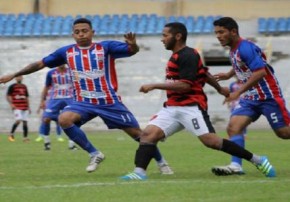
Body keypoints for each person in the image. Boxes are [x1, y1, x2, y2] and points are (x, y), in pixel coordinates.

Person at [0, 18, 173, 175]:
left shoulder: (105, 47)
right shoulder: (66, 52)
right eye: (77, 32)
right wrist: (14, 73)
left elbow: (131, 50)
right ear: (73, 34)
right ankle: (95, 153)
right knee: (64, 119)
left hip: (108, 101)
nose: (81, 34)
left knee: (139, 135)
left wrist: (133, 44)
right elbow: (39, 64)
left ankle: (162, 162)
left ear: (92, 32)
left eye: (85, 31)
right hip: (82, 102)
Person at [120, 22, 275, 181]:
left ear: (178, 36)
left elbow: (185, 85)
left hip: (191, 107)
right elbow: (203, 73)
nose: (162, 39)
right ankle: (139, 172)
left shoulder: (188, 55)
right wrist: (220, 89)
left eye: (165, 35)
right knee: (148, 135)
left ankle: (257, 160)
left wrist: (154, 85)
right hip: (173, 107)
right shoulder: (179, 55)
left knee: (211, 142)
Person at [211, 17, 290, 176]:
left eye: (221, 32)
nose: (218, 36)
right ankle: (236, 165)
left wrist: (238, 92)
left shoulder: (245, 47)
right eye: (216, 33)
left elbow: (260, 71)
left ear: (233, 32)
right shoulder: (234, 49)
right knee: (234, 127)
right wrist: (228, 74)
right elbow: (242, 65)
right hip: (251, 98)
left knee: (284, 133)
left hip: (269, 96)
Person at [36, 64, 77, 150]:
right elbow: (46, 87)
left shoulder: (72, 72)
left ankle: (72, 144)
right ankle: (47, 143)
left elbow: (78, 85)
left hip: (69, 98)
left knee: (73, 120)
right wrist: (42, 100)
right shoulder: (51, 73)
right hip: (55, 99)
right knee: (46, 118)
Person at [6, 76, 31, 142]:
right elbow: (8, 95)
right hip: (17, 107)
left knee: (25, 122)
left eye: (20, 77)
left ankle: (25, 138)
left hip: (25, 107)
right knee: (18, 120)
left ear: (22, 78)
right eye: (18, 77)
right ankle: (11, 134)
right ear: (15, 78)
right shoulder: (12, 86)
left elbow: (27, 97)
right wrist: (11, 104)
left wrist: (29, 107)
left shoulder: (24, 86)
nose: (19, 78)